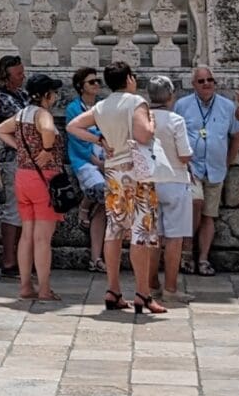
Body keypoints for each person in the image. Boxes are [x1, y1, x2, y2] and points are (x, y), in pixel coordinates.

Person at [65, 63, 163, 316]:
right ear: (129, 79)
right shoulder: (136, 102)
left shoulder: (102, 106)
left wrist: (99, 139)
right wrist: (152, 122)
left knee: (115, 228)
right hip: (137, 170)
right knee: (140, 230)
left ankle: (113, 289)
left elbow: (73, 126)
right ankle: (142, 292)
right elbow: (144, 135)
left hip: (114, 169)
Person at [0, 72, 63, 304]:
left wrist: (21, 149)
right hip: (43, 178)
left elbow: (0, 130)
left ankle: (25, 285)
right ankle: (44, 288)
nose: (55, 96)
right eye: (53, 92)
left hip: (23, 175)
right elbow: (46, 128)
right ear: (46, 95)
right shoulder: (42, 113)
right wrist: (46, 150)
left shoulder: (22, 113)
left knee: (27, 235)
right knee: (43, 238)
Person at [178, 63, 239, 277]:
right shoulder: (182, 105)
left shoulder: (227, 106)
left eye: (210, 80)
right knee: (194, 207)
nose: (207, 84)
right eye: (202, 81)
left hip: (215, 169)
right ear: (194, 85)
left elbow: (238, 134)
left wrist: (228, 160)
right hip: (191, 169)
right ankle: (186, 253)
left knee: (209, 215)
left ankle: (203, 259)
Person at [147, 76, 195, 300]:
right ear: (170, 95)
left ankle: (151, 283)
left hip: (150, 180)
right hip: (175, 180)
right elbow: (185, 155)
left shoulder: (142, 118)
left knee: (154, 235)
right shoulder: (176, 121)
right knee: (174, 237)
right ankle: (171, 288)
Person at [64, 67, 107, 271]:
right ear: (81, 87)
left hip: (105, 159)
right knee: (100, 190)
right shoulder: (73, 109)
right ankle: (83, 206)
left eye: (98, 81)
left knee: (103, 209)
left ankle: (96, 258)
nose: (97, 84)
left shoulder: (101, 107)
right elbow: (77, 140)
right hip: (85, 161)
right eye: (92, 82)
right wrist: (98, 163)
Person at [0, 53, 26, 282]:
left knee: (24, 211)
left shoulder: (22, 95)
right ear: (6, 76)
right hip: (10, 158)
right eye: (18, 74)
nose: (22, 77)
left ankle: (21, 258)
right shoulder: (1, 99)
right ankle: (8, 260)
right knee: (12, 210)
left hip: (26, 160)